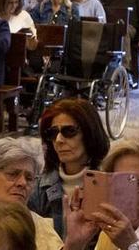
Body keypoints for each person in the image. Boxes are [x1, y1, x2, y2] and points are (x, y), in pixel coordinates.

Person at [30, 97, 109, 234]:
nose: (59, 140)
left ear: (90, 133)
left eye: (69, 131)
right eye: (53, 133)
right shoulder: (39, 188)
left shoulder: (110, 182)